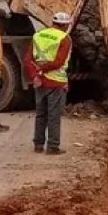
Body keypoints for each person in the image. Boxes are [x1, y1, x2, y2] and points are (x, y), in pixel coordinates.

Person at [25, 12, 73, 155]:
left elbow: (28, 59)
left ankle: (38, 144)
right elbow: (59, 62)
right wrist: (43, 68)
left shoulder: (38, 35)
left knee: (40, 113)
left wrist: (35, 75)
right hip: (56, 82)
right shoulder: (65, 39)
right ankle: (52, 146)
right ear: (64, 25)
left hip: (39, 82)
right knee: (54, 115)